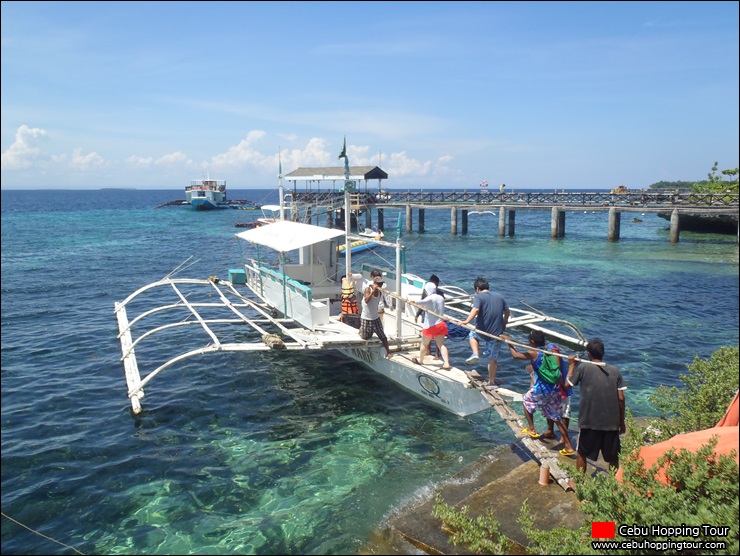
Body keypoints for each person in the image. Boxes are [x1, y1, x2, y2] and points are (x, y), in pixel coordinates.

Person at [503, 331, 576, 456]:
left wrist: (509, 342)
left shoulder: (533, 352)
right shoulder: (550, 351)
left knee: (526, 401)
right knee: (557, 418)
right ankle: (569, 447)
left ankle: (532, 429)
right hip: (554, 389)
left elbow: (515, 355)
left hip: (542, 389)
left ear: (532, 342)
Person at [566, 338, 626, 474]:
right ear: (603, 353)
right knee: (613, 456)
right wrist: (621, 422)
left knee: (582, 452)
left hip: (589, 421)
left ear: (588, 354)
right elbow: (621, 398)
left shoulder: (583, 368)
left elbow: (568, 384)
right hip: (611, 423)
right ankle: (614, 483)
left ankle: (580, 482)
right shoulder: (615, 371)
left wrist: (571, 365)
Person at [457, 277, 509, 386]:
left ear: (477, 288)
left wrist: (466, 321)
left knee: (472, 334)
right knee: (492, 358)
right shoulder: (500, 296)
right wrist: (504, 323)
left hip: (482, 332)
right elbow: (507, 311)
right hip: (497, 334)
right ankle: (492, 381)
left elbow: (475, 309)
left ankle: (475, 353)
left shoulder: (478, 297)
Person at [411, 286, 451, 370]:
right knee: (441, 345)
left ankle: (420, 360)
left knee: (424, 344)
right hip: (441, 324)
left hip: (430, 326)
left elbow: (420, 302)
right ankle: (446, 363)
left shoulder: (429, 298)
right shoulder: (441, 297)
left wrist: (412, 302)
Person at [360, 275, 393, 358]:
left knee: (383, 336)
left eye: (381, 284)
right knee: (366, 337)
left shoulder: (380, 292)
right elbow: (366, 300)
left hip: (375, 318)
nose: (380, 286)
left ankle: (388, 352)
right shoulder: (368, 289)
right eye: (378, 284)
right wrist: (373, 291)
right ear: (374, 283)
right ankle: (361, 330)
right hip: (366, 318)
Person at [415, 274, 441, 359]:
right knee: (428, 335)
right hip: (429, 316)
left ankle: (437, 354)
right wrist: (418, 314)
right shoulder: (426, 292)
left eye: (437, 284)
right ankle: (428, 350)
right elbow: (422, 304)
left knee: (437, 337)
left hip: (437, 317)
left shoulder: (440, 293)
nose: (436, 286)